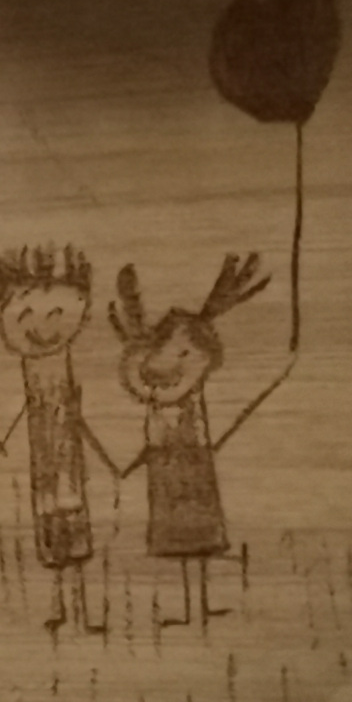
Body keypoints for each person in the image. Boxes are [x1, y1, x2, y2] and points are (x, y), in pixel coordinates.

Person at [109, 253, 273, 628]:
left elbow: (197, 431)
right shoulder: (159, 402)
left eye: (185, 353)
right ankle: (185, 607)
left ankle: (201, 604)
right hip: (168, 476)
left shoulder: (192, 401)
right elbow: (154, 436)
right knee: (178, 543)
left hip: (194, 472)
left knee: (198, 542)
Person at [0, 244, 113, 637]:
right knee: (53, 543)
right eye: (24, 316)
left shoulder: (62, 367)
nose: (43, 328)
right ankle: (60, 607)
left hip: (69, 472)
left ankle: (84, 610)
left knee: (76, 541)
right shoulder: (33, 369)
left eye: (57, 314)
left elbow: (71, 411)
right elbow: (34, 407)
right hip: (45, 474)